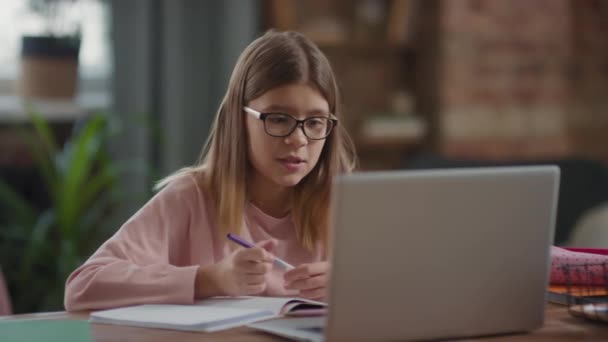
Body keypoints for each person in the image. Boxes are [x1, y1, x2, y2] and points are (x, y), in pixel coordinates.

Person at [64, 30, 357, 311]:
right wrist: (209, 279)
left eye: (315, 122)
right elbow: (83, 286)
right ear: (238, 120)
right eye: (279, 119)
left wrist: (353, 285)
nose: (299, 139)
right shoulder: (190, 198)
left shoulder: (347, 205)